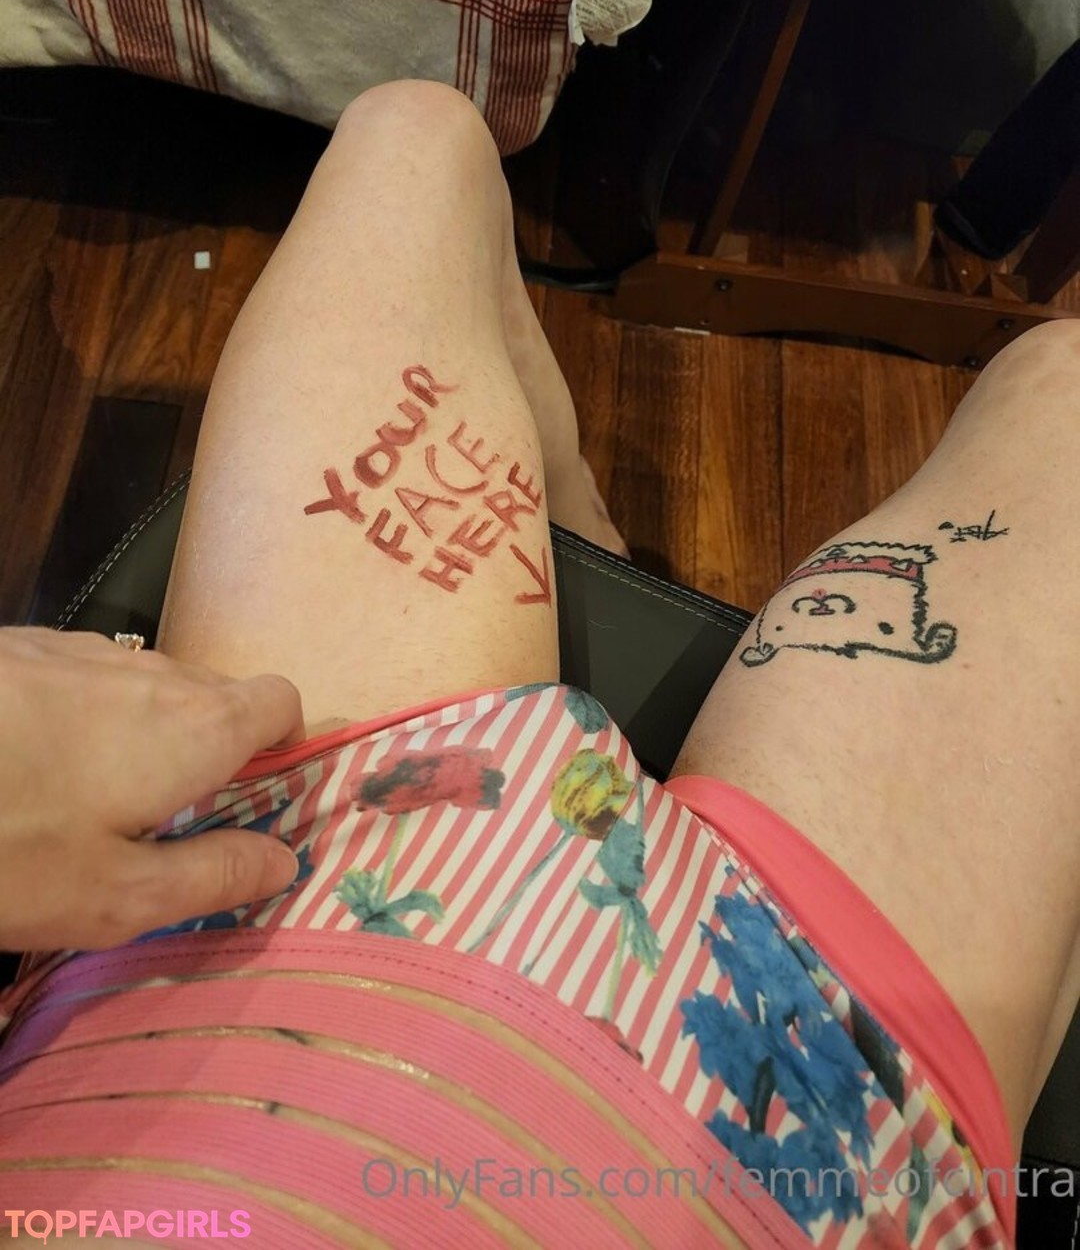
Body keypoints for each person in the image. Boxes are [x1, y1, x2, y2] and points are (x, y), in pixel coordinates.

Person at [0, 81, 1075, 1250]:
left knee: (418, 136)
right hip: (812, 1128)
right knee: (1064, 388)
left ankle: (577, 523)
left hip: (274, 889)